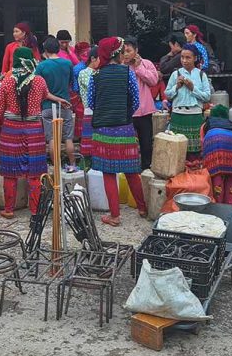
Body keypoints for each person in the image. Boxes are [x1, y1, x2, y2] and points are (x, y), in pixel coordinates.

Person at [0, 48, 63, 218]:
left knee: (9, 172)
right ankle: (35, 210)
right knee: (35, 173)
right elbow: (45, 95)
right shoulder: (39, 81)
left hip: (10, 130)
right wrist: (59, 100)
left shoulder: (7, 82)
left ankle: (9, 209)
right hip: (34, 129)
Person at [87, 37, 147, 226]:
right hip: (125, 127)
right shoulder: (128, 73)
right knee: (131, 170)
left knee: (108, 172)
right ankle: (142, 208)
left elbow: (91, 102)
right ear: (118, 54)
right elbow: (135, 101)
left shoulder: (95, 76)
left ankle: (115, 216)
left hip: (103, 128)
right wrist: (125, 113)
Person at [36, 36, 76, 172]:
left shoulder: (41, 66)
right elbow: (71, 83)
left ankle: (56, 167)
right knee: (68, 138)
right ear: (58, 48)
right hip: (65, 105)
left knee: (52, 139)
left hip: (47, 106)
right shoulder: (67, 64)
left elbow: (37, 86)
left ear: (45, 50)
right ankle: (73, 165)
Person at [165, 44, 212, 155]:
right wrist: (176, 86)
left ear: (195, 58)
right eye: (182, 57)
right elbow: (167, 94)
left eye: (188, 57)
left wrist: (193, 88)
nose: (184, 60)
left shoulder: (201, 75)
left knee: (195, 150)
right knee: (177, 150)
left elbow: (207, 96)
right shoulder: (175, 74)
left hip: (195, 115)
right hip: (177, 114)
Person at [123, 37, 159, 171]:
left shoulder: (146, 64)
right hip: (128, 112)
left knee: (146, 144)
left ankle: (146, 169)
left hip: (144, 111)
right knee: (128, 144)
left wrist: (139, 68)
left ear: (136, 51)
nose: (126, 54)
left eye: (129, 51)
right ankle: (130, 170)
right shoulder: (121, 66)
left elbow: (153, 81)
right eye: (123, 51)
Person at [201, 104, 232, 205]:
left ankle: (218, 205)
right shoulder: (231, 124)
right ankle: (230, 206)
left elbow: (203, 142)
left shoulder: (206, 124)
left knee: (217, 178)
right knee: (231, 178)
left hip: (215, 148)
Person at [77, 47, 99, 158]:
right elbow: (93, 89)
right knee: (90, 143)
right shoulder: (84, 73)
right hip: (90, 111)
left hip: (99, 112)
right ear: (93, 59)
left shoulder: (99, 72)